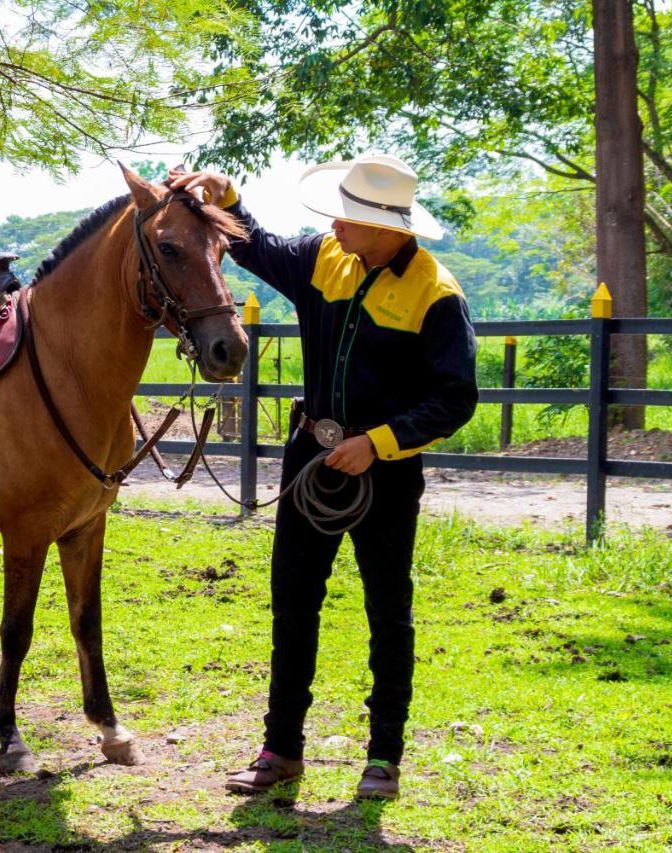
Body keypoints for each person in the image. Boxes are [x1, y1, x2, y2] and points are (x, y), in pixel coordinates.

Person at [168, 155, 478, 800]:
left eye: (349, 217)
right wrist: (229, 198)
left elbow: (454, 398)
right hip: (313, 460)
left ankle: (383, 757)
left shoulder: (436, 293)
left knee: (387, 610)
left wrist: (378, 443)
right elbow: (260, 247)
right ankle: (281, 749)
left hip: (384, 475)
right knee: (294, 603)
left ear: (388, 226)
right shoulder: (325, 258)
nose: (335, 224)